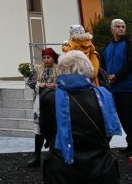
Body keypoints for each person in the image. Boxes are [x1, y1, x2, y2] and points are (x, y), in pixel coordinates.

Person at [40, 50, 121, 183]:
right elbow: (108, 133)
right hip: (102, 167)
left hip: (63, 170)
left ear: (61, 69)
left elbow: (46, 132)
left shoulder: (50, 98)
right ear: (88, 67)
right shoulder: (105, 95)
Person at [102, 18, 132, 155]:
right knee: (122, 118)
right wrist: (105, 77)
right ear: (112, 29)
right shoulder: (108, 46)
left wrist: (117, 76)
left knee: (129, 117)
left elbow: (130, 63)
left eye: (123, 26)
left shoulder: (129, 43)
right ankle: (130, 144)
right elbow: (102, 65)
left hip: (127, 88)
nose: (121, 29)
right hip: (113, 89)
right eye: (118, 26)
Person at [25, 47, 58, 167]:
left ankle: (53, 155)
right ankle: (36, 156)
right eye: (44, 57)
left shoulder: (60, 69)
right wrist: (40, 84)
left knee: (55, 127)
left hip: (56, 101)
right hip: (40, 102)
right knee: (39, 130)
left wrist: (56, 85)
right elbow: (30, 82)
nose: (46, 60)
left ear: (53, 58)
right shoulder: (37, 69)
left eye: (48, 57)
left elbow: (65, 82)